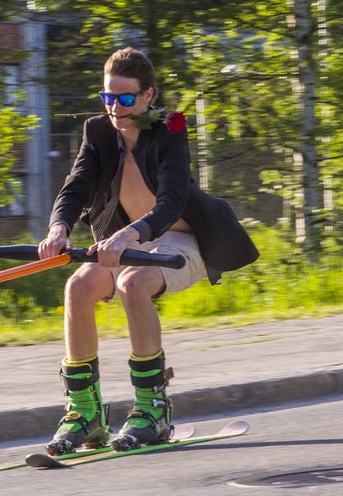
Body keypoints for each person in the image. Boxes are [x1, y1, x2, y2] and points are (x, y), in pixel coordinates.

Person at [37, 47, 259, 454]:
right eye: (107, 97)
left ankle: (152, 409)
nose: (114, 108)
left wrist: (127, 236)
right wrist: (59, 228)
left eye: (124, 99)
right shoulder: (98, 131)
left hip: (178, 238)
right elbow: (77, 186)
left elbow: (172, 201)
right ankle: (85, 414)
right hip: (125, 238)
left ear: (148, 96)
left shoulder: (171, 129)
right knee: (78, 288)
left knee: (134, 283)